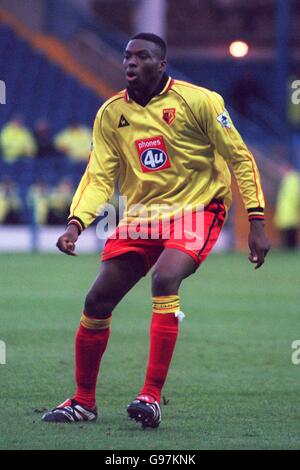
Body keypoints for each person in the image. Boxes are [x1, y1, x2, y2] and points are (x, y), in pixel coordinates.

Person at [42, 33, 270, 428]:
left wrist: (256, 219)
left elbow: (239, 157)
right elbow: (99, 176)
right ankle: (82, 402)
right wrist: (77, 223)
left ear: (161, 64)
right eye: (127, 57)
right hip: (142, 216)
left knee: (165, 279)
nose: (130, 63)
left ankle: (150, 396)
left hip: (198, 208)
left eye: (142, 56)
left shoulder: (200, 101)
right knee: (97, 301)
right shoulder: (111, 113)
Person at [274, 165, 300, 249]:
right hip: (288, 213)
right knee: (288, 235)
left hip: (290, 212)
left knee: (290, 236)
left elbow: (295, 196)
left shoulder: (291, 180)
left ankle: (291, 250)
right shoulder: (289, 179)